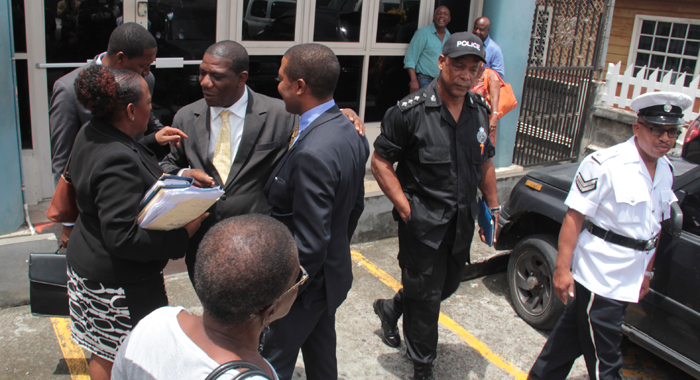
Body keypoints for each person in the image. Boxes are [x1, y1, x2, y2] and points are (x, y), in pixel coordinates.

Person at [159, 40, 365, 283]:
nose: (204, 82)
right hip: (204, 247)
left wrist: (342, 115)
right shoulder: (185, 117)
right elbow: (166, 167)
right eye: (202, 73)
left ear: (241, 78)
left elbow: (316, 126)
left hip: (258, 248)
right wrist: (184, 174)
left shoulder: (282, 114)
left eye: (216, 76)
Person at [527, 91, 691, 380]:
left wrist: (647, 274)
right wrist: (562, 269)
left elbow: (654, 229)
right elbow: (574, 218)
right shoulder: (605, 164)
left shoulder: (666, 169)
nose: (665, 138)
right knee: (607, 360)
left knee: (568, 340)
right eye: (657, 130)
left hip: (628, 275)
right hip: (600, 277)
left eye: (672, 132)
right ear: (637, 127)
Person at [371, 32, 499, 380]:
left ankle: (391, 307)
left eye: (474, 69)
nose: (466, 75)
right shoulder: (409, 112)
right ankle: (423, 364)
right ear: (442, 63)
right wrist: (405, 208)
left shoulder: (479, 112)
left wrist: (494, 208)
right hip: (423, 224)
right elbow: (380, 163)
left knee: (446, 286)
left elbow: (485, 164)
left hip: (461, 222)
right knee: (426, 298)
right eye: (459, 66)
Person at [66, 65, 206, 380]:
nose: (151, 109)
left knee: (102, 348)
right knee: (120, 353)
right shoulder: (116, 158)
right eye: (148, 102)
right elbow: (122, 237)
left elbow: (132, 157)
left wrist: (179, 174)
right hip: (116, 282)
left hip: (87, 262)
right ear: (131, 110)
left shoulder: (92, 131)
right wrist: (183, 235)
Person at [261, 43, 369, 380]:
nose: (277, 87)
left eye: (281, 80)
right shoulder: (349, 131)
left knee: (271, 362)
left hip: (304, 290)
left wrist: (279, 296)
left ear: (299, 86)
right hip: (329, 278)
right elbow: (355, 206)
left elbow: (309, 244)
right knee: (322, 356)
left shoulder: (314, 152)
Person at [112, 214, 303, 380]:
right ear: (269, 312)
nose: (300, 281)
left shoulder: (154, 323)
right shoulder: (257, 375)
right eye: (298, 278)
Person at [50, 22, 172, 248]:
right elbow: (62, 159)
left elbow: (144, 120)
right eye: (143, 66)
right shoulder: (68, 88)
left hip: (137, 195)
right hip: (96, 204)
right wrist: (68, 221)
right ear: (121, 58)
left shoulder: (146, 79)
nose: (147, 73)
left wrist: (159, 136)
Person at [404, 6, 451, 93]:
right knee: (424, 106)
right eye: (439, 13)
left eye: (445, 14)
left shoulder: (449, 37)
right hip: (424, 81)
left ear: (449, 19)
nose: (442, 16)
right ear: (434, 17)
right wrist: (414, 81)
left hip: (442, 82)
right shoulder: (422, 33)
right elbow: (410, 58)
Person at [471, 67, 501, 145]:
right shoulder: (469, 73)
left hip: (484, 119)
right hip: (469, 117)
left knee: (483, 147)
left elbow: (494, 97)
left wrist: (494, 116)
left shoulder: (490, 75)